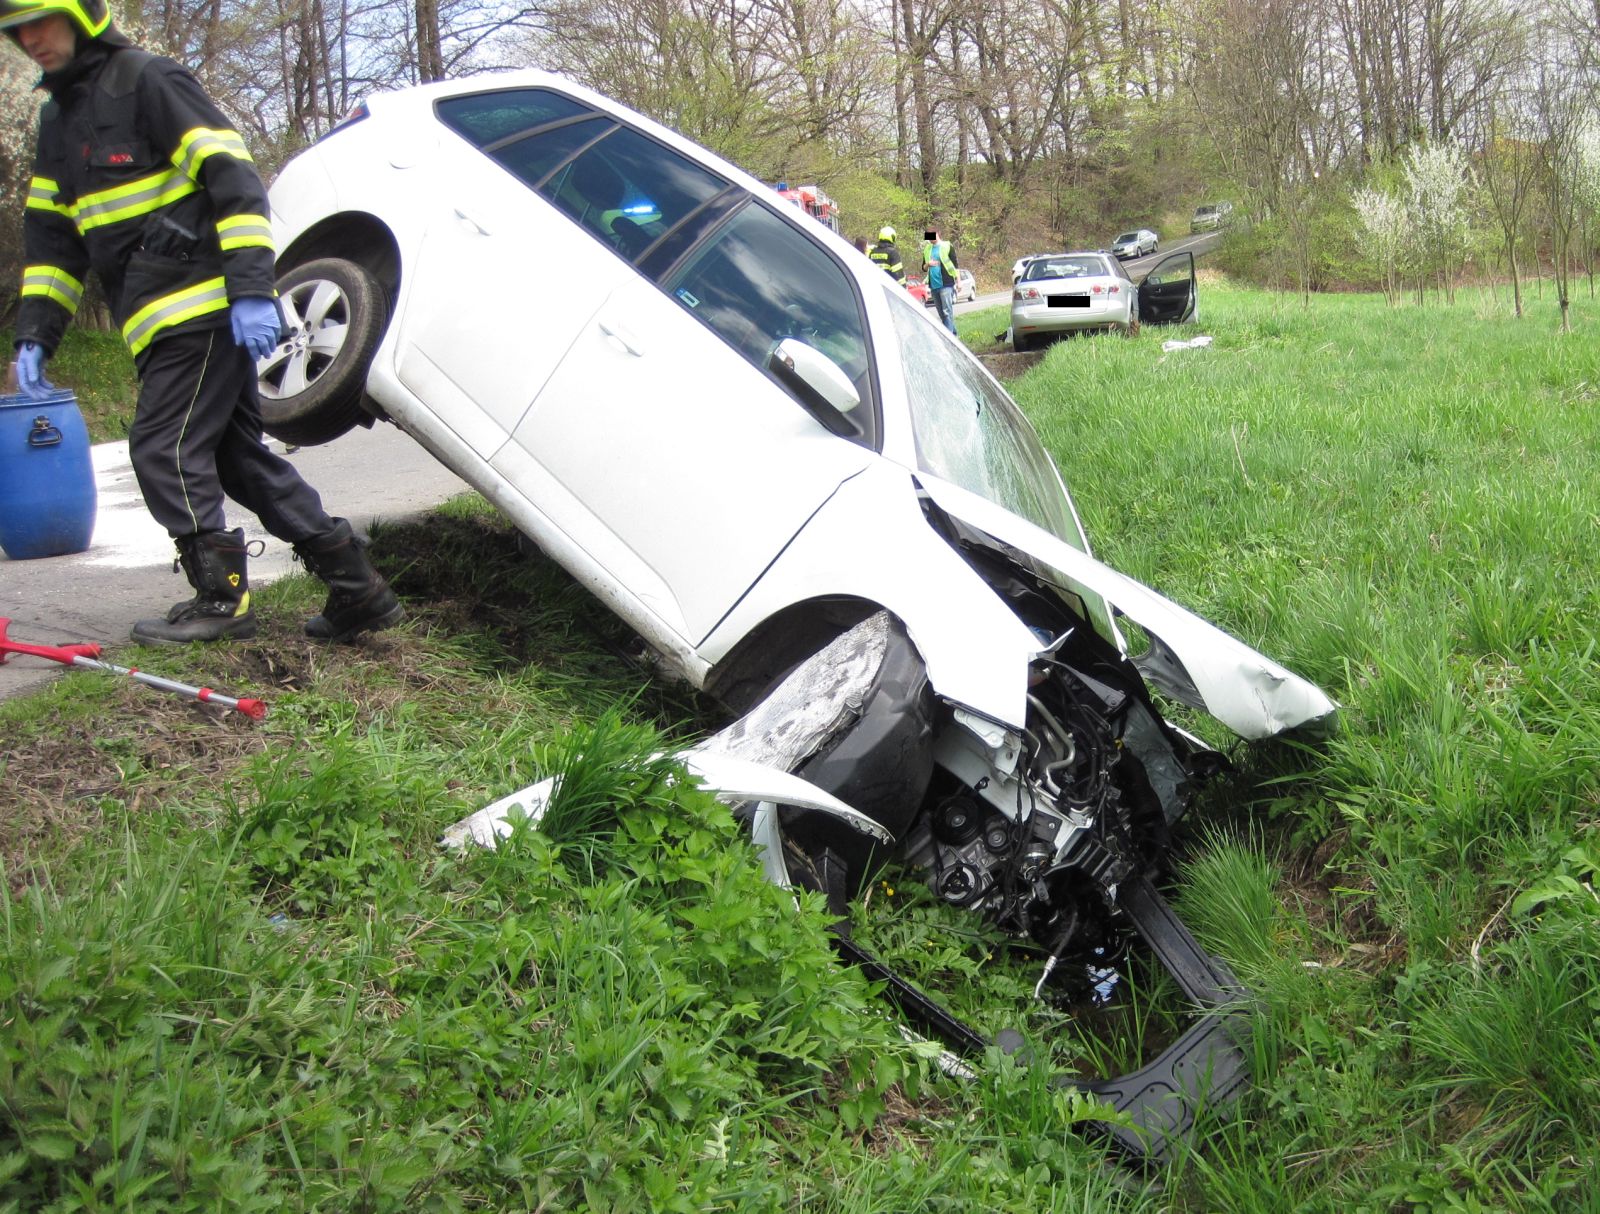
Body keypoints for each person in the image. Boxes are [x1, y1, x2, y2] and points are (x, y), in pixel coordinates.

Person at [2, 0, 403, 646]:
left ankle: (223, 597)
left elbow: (234, 178)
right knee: (235, 458)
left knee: (162, 447)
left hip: (202, 308)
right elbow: (54, 242)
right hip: (156, 322)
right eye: (16, 30)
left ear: (81, 14)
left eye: (40, 21)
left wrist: (250, 290)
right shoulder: (57, 120)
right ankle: (357, 587)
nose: (30, 38)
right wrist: (35, 334)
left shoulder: (148, 80)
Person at [923, 228, 960, 334]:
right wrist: (928, 264)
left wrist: (959, 281)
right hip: (934, 285)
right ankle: (953, 334)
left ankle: (949, 338)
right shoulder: (927, 249)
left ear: (937, 234)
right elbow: (923, 268)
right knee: (942, 314)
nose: (929, 239)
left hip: (946, 283)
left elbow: (955, 265)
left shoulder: (947, 246)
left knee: (947, 312)